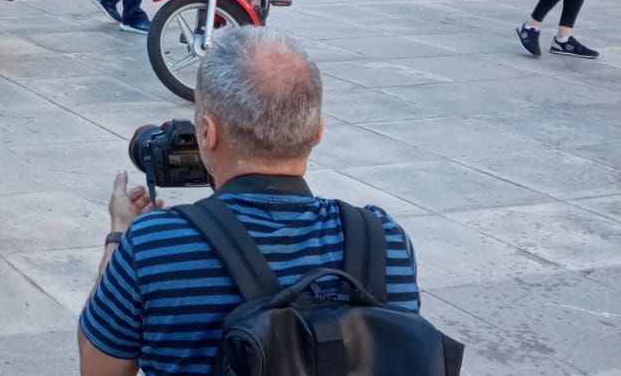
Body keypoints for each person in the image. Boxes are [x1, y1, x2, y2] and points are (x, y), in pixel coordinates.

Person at [77, 28, 422, 376]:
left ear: (208, 132)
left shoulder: (155, 245)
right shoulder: (384, 241)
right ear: (317, 131)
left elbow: (97, 370)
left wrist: (119, 235)